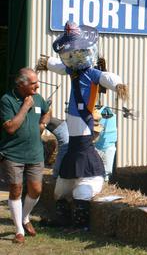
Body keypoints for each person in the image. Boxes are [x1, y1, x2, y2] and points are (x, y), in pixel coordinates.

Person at [42, 21, 128, 228]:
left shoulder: (91, 73)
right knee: (61, 188)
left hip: (83, 128)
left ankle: (81, 221)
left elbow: (107, 77)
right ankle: (63, 219)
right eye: (71, 54)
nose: (74, 57)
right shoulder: (72, 71)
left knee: (82, 186)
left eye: (77, 53)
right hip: (74, 136)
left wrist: (118, 85)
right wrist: (46, 63)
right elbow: (59, 66)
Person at [0, 68, 51, 244]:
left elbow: (47, 111)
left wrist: (43, 123)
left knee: (36, 189)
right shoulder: (6, 100)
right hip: (13, 153)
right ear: (21, 84)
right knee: (16, 189)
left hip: (35, 152)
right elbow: (10, 128)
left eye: (37, 82)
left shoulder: (37, 97)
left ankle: (24, 217)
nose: (37, 86)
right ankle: (19, 231)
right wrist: (25, 107)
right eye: (33, 83)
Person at [94, 104, 117, 182]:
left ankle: (105, 181)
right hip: (98, 145)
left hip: (108, 145)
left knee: (106, 169)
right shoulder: (97, 114)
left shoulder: (108, 114)